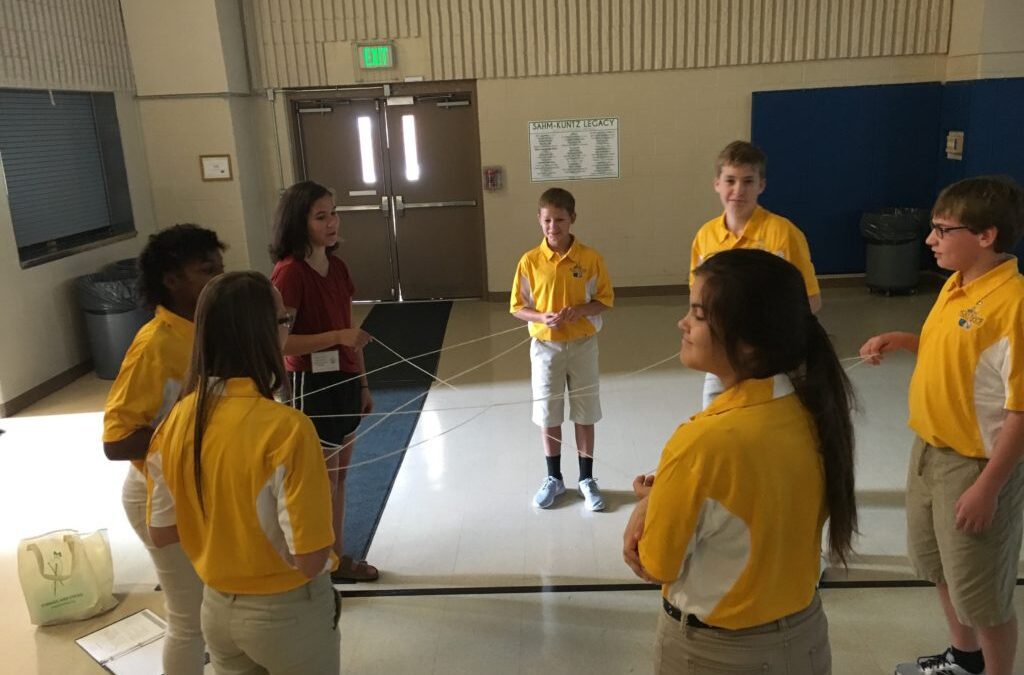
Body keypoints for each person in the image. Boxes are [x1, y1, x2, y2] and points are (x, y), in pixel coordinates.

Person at [624, 248, 857, 674]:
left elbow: (655, 562)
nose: (683, 323)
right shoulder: (813, 412)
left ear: (748, 343)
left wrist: (649, 504)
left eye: (697, 314)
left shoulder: (701, 442)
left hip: (717, 656)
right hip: (805, 639)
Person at [859, 176, 1024, 675]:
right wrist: (906, 340)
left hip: (975, 466)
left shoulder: (1013, 305)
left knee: (983, 592)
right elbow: (959, 353)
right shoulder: (956, 285)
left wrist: (988, 487)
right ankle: (964, 659)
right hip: (928, 452)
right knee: (938, 568)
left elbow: (1020, 410)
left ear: (986, 236)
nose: (929, 239)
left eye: (941, 229)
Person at [147, 271, 341, 674]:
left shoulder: (177, 419)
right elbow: (309, 559)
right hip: (287, 614)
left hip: (216, 610)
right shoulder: (287, 428)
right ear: (260, 334)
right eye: (283, 320)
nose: (288, 327)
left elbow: (162, 531)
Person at [102, 224, 225, 675]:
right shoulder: (155, 344)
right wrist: (193, 433)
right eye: (205, 270)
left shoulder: (207, 327)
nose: (218, 278)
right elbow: (116, 441)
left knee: (215, 603)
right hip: (156, 495)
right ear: (172, 281)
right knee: (188, 618)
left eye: (220, 268)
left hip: (197, 490)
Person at [269, 181, 376, 584]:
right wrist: (335, 339)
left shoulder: (339, 267)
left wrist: (363, 384)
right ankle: (317, 566)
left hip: (345, 379)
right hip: (309, 385)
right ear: (300, 222)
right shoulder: (289, 274)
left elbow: (349, 327)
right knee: (321, 482)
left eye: (333, 213)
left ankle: (334, 556)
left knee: (341, 477)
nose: (332, 223)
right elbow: (279, 342)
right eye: (321, 216)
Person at [690, 140, 821, 408]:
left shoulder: (783, 234)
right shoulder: (706, 237)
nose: (738, 190)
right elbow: (698, 300)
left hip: (769, 355)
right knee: (716, 420)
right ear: (717, 183)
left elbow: (810, 300)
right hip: (721, 350)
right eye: (730, 181)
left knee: (767, 421)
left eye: (748, 181)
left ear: (761, 184)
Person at [511, 187, 614, 511]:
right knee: (548, 413)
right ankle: (554, 477)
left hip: (582, 346)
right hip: (546, 348)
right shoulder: (530, 261)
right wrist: (541, 316)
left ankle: (587, 478)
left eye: (559, 220)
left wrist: (580, 310)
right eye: (547, 220)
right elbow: (517, 307)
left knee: (585, 413)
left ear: (572, 220)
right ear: (539, 221)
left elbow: (604, 301)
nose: (553, 227)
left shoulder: (590, 258)